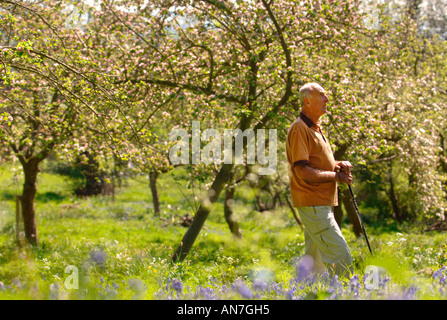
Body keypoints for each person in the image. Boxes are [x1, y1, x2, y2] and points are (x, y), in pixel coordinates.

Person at [286, 82, 353, 277]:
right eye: (322, 95)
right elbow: (303, 171)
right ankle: (349, 295)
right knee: (342, 255)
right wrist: (337, 177)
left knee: (313, 266)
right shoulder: (300, 129)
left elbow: (317, 164)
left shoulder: (315, 128)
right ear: (307, 101)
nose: (327, 99)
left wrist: (337, 165)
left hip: (320, 203)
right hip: (314, 203)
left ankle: (306, 295)